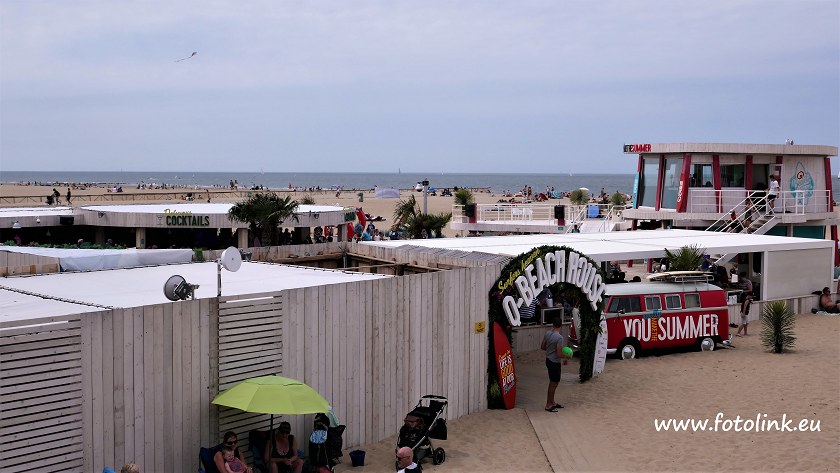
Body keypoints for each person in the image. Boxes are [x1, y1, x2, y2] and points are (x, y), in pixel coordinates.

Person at [540, 316, 571, 412]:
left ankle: (552, 402)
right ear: (560, 325)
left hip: (548, 360)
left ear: (553, 324)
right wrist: (567, 356)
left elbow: (542, 346)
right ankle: (548, 404)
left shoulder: (547, 333)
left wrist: (550, 350)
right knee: (553, 383)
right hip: (554, 362)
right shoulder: (559, 338)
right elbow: (559, 353)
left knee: (553, 382)